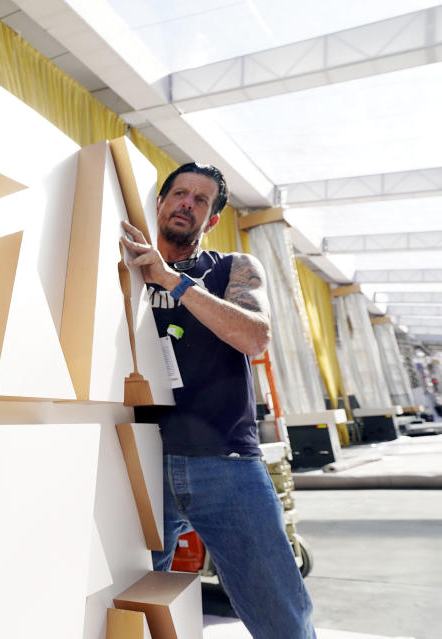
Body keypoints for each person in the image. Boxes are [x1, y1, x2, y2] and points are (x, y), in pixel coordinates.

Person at [121, 163, 316, 639]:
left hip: (226, 464)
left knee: (282, 617)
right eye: (179, 194)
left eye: (200, 200)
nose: (187, 203)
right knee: (134, 611)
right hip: (140, 461)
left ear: (210, 220)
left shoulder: (234, 268)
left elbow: (255, 337)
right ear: (160, 203)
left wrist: (172, 280)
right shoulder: (120, 272)